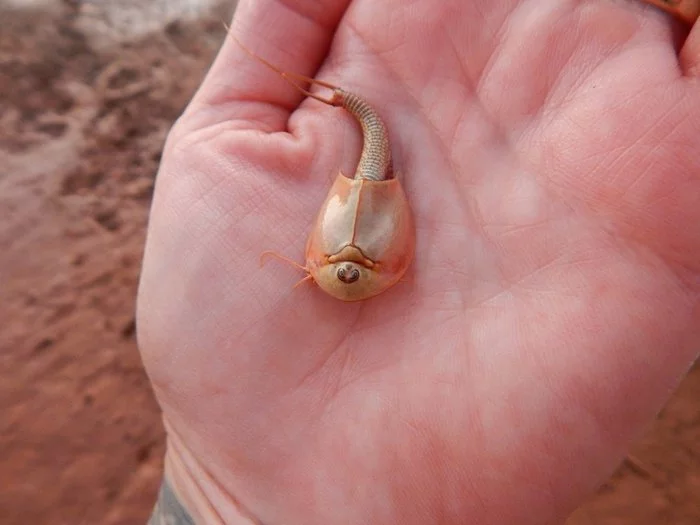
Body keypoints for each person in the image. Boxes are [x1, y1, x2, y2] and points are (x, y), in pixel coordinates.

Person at [136, 0, 700, 523]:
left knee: (369, 126)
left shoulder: (349, 267)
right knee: (369, 128)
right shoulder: (355, 267)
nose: (345, 271)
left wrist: (218, 498)